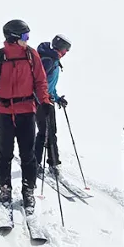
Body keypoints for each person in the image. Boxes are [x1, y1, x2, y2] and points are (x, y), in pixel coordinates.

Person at [0, 19, 52, 208]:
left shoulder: (31, 55)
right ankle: (5, 187)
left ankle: (28, 190)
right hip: (4, 111)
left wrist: (45, 102)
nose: (28, 40)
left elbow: (41, 81)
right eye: (25, 36)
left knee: (28, 153)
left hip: (27, 111)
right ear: (14, 37)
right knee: (5, 152)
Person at [34, 34, 71, 178]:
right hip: (40, 101)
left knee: (51, 132)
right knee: (44, 132)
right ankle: (36, 162)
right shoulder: (48, 61)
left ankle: (53, 162)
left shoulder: (53, 61)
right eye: (66, 49)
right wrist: (41, 99)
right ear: (60, 48)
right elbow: (38, 83)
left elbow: (50, 85)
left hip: (47, 100)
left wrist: (56, 98)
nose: (66, 52)